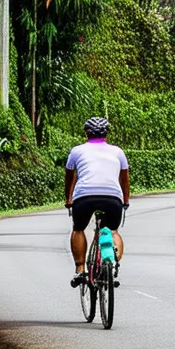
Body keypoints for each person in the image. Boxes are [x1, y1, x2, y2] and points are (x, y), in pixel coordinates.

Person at [65, 117, 130, 287]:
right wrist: (125, 201)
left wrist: (68, 199)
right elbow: (124, 179)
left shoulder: (77, 151)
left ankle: (80, 269)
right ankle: (112, 263)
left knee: (78, 228)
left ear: (86, 133)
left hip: (84, 197)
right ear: (106, 134)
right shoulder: (118, 152)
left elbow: (70, 177)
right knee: (113, 231)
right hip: (113, 198)